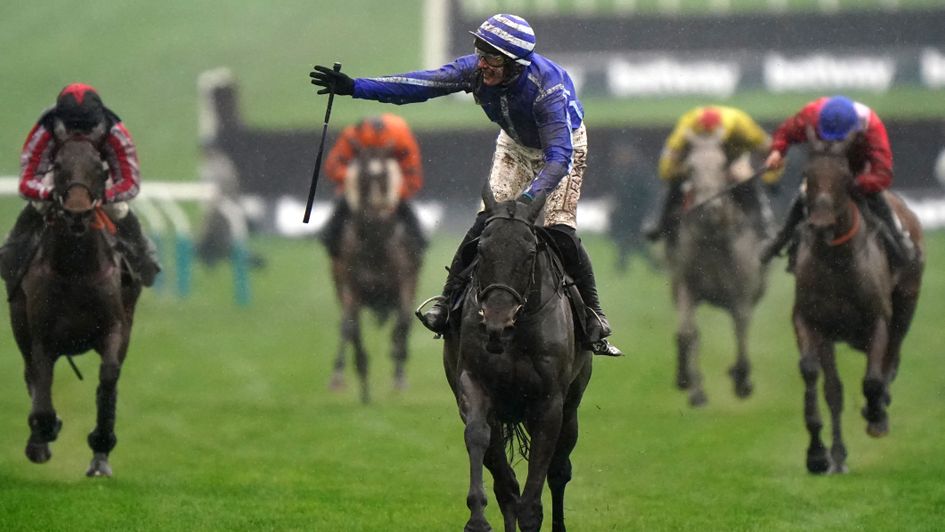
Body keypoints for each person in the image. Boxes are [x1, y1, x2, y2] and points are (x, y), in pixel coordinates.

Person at [309, 13, 621, 356]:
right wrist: (354, 87)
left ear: (515, 65)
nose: (482, 64)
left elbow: (559, 158)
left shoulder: (546, 88)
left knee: (560, 230)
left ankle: (594, 314)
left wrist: (530, 197)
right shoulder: (475, 70)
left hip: (563, 148)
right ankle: (446, 302)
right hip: (515, 145)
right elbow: (418, 86)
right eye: (480, 52)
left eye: (492, 58)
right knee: (486, 223)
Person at [0, 83, 160, 286]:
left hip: (97, 175)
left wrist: (103, 196)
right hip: (60, 174)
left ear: (98, 121)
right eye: (71, 129)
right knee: (38, 205)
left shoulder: (115, 130)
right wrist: (50, 193)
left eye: (87, 129)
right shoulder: (46, 128)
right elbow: (27, 181)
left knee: (118, 209)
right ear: (60, 121)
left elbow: (130, 183)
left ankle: (143, 257)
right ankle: (13, 254)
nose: (79, 135)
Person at [759, 95, 915, 267]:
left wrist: (856, 184)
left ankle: (898, 238)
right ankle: (780, 240)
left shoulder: (871, 125)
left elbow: (883, 174)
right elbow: (786, 132)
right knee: (804, 195)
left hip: (856, 173)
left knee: (877, 199)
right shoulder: (811, 114)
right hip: (822, 172)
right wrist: (777, 152)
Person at [647, 105, 777, 245]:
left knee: (744, 179)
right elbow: (668, 160)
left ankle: (763, 228)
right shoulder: (686, 126)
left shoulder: (740, 123)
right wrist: (675, 174)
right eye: (704, 135)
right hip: (694, 161)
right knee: (673, 184)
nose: (708, 138)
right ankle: (659, 222)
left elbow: (770, 149)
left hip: (731, 159)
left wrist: (771, 178)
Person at [320, 113, 427, 258]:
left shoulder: (400, 136)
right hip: (358, 189)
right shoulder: (352, 136)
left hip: (392, 189)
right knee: (331, 233)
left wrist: (395, 193)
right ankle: (336, 256)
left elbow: (413, 175)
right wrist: (355, 178)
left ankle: (416, 254)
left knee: (417, 237)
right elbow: (333, 167)